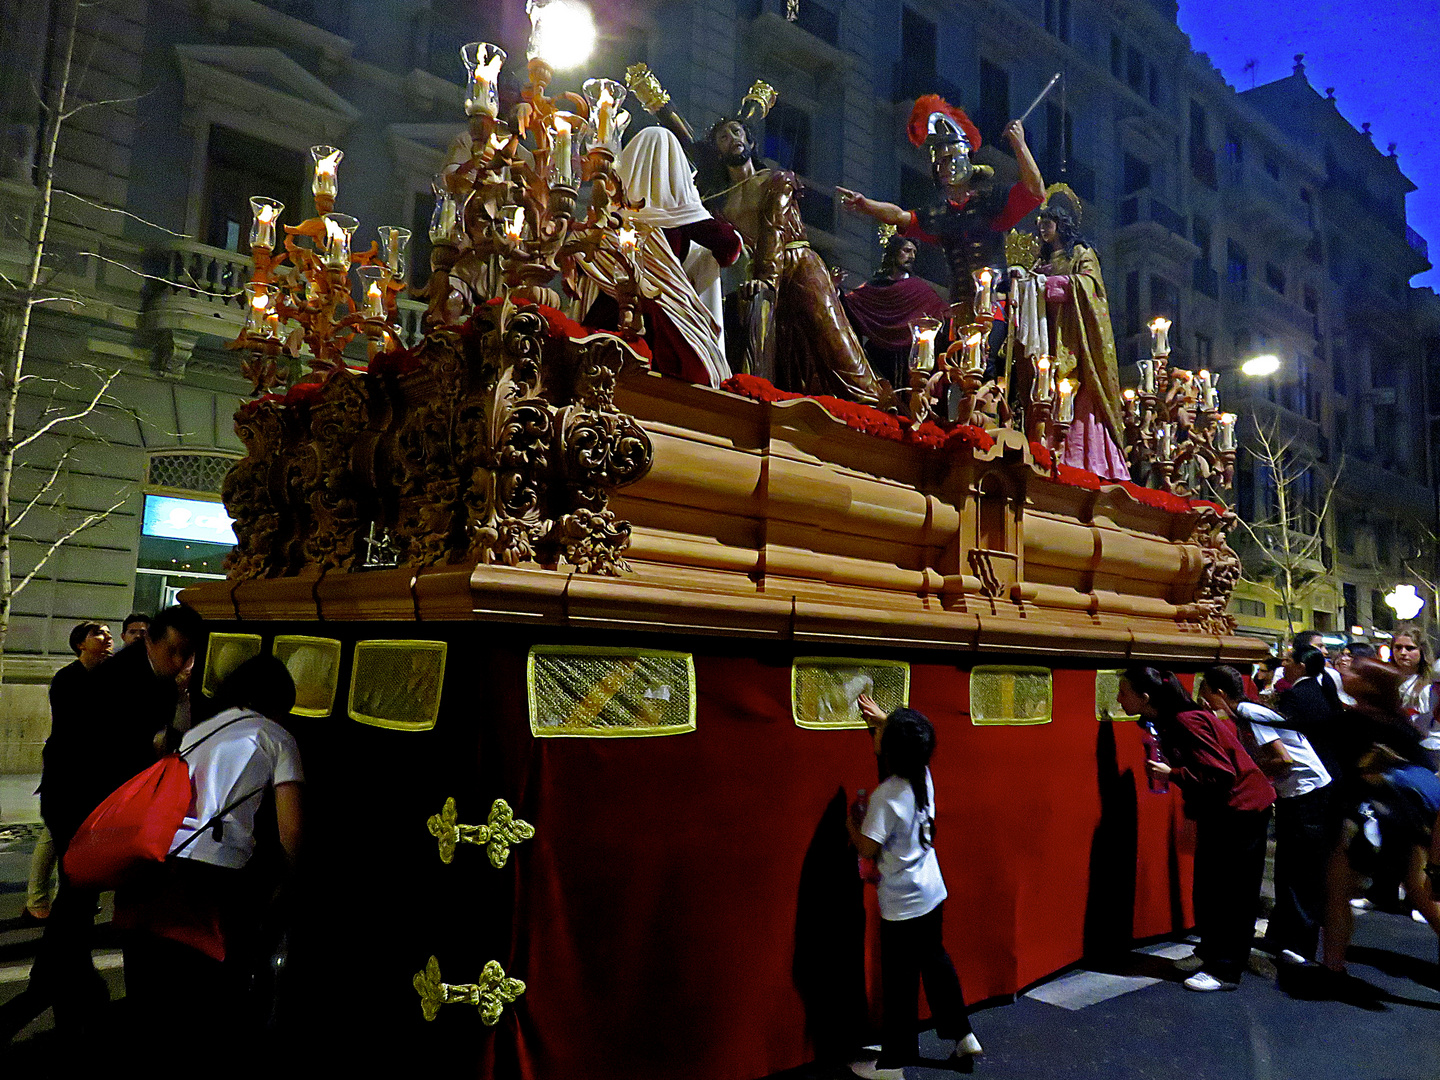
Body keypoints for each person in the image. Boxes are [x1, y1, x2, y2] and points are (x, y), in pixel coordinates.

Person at [120, 653, 303, 1050]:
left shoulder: (201, 731)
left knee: (164, 980)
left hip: (166, 859)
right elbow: (291, 828)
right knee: (216, 984)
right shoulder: (276, 737)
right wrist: (289, 878)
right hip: (220, 872)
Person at [697, 116, 897, 407]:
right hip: (762, 277)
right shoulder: (720, 202)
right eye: (724, 138)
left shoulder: (776, 180)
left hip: (798, 264)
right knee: (787, 351)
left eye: (736, 132)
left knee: (831, 336)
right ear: (718, 150)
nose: (732, 139)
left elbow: (774, 227)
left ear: (750, 141)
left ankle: (872, 402)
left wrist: (766, 277)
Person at [846, 696, 981, 1078]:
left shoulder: (885, 796)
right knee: (936, 962)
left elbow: (867, 848)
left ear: (889, 750)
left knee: (899, 979)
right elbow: (913, 739)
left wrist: (849, 825)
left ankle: (896, 1057)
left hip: (901, 903)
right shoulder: (922, 774)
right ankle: (962, 1035)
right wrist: (883, 721)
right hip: (931, 891)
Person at [1117, 667, 1274, 991]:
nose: (1118, 699)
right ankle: (1209, 952)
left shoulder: (1186, 721)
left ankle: (1226, 970)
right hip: (1223, 810)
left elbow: (1221, 774)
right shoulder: (1173, 718)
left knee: (1232, 892)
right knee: (1211, 887)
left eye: (1123, 692)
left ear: (1145, 698)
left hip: (1241, 810)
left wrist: (1172, 773)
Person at [837, 96, 1043, 315]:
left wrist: (1019, 144)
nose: (942, 168)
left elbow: (1036, 191)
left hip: (996, 307)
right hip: (959, 309)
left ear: (962, 159)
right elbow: (899, 216)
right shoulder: (940, 214)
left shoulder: (991, 201)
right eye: (939, 163)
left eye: (947, 160)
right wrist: (864, 203)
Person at [583, 125, 742, 387]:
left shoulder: (607, 217)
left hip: (605, 317)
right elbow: (730, 248)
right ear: (674, 168)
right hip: (662, 325)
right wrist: (693, 205)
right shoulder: (681, 215)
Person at [1201, 665, 1332, 966]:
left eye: (1205, 692)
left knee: (1301, 871)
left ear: (1220, 694)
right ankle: (1280, 936)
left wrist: (1251, 774)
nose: (1203, 699)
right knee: (1286, 868)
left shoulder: (1250, 713)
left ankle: (1301, 945)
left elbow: (1282, 759)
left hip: (1308, 793)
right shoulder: (1243, 714)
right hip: (1294, 793)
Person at [1321, 661, 1440, 979]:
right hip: (1407, 822)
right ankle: (1332, 966)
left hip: (1364, 819)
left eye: (1358, 673)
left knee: (1336, 892)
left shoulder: (1358, 721)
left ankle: (1333, 968)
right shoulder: (1398, 724)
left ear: (1370, 686)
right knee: (1420, 893)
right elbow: (1424, 773)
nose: (1348, 674)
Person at [1027, 189, 1128, 480]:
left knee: (1078, 390)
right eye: (1040, 225)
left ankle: (1083, 454)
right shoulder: (1040, 260)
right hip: (1048, 332)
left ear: (1060, 224)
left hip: (1075, 332)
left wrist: (1055, 284)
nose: (1043, 229)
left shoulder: (1082, 253)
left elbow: (1091, 286)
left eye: (1048, 223)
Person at [25, 622, 114, 924]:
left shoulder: (111, 675)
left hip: (96, 775)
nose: (107, 637)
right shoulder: (67, 678)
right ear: (80, 644)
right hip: (67, 773)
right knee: (61, 837)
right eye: (98, 634)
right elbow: (77, 723)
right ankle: (53, 904)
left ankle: (73, 902)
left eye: (108, 633)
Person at [841, 233, 948, 387]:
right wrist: (835, 291)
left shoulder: (919, 290)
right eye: (906, 250)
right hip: (879, 357)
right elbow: (850, 305)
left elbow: (942, 314)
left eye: (914, 252)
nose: (911, 256)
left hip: (909, 359)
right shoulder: (873, 288)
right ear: (893, 252)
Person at [1275, 647, 1345, 785]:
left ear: (1300, 667)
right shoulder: (1321, 690)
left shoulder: (1294, 695)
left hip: (1310, 774)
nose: (1283, 664)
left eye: (1288, 661)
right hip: (1330, 767)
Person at [1391, 625, 1438, 754]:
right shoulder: (1385, 678)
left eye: (1410, 648)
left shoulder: (1432, 684)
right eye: (1398, 647)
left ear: (1422, 651)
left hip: (1423, 748)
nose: (1403, 653)